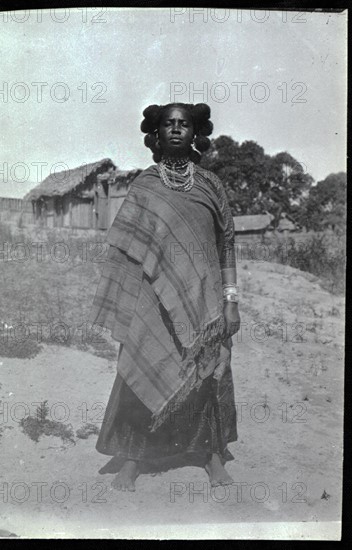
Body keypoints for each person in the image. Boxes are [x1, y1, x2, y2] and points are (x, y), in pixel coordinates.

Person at [88, 102, 240, 492]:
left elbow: (226, 245)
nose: (175, 129)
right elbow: (127, 249)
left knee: (205, 373)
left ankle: (211, 457)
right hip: (152, 303)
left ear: (195, 133)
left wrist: (230, 300)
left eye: (183, 124)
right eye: (168, 124)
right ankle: (133, 460)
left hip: (203, 304)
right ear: (156, 134)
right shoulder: (144, 185)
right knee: (145, 361)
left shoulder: (211, 185)